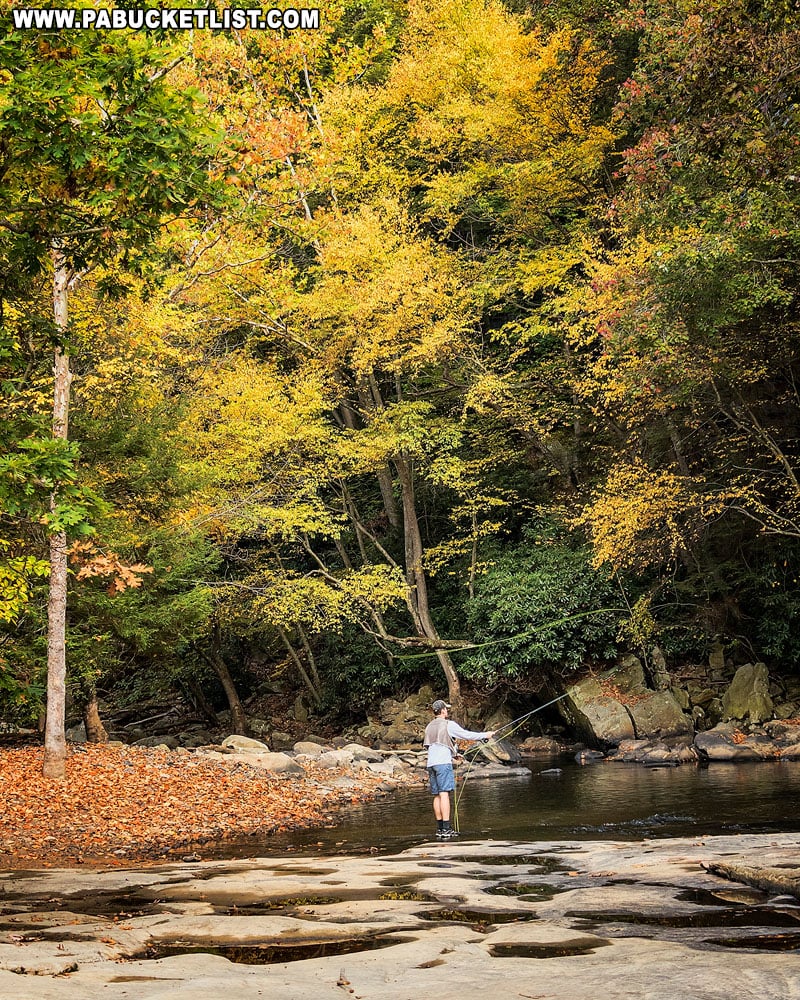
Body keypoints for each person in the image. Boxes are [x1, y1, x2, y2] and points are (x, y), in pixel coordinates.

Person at [423, 699, 495, 840]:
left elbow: (435, 745)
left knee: (437, 795)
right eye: (446, 709)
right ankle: (447, 828)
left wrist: (454, 755)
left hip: (431, 764)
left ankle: (440, 829)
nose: (447, 711)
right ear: (443, 710)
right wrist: (485, 735)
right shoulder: (449, 725)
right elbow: (466, 735)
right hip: (443, 764)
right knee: (444, 794)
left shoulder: (429, 726)